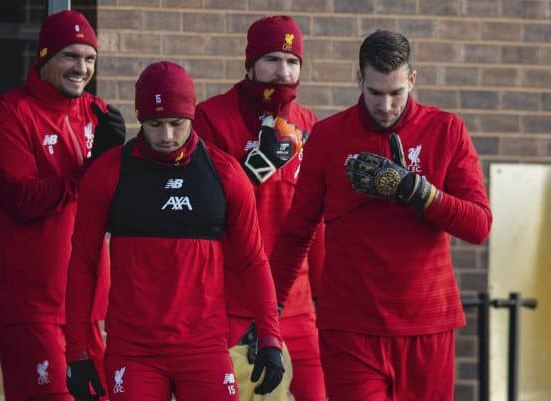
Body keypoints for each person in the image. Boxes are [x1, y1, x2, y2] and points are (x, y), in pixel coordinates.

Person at [270, 30, 493, 401]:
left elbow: (479, 226)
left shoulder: (446, 130)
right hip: (351, 327)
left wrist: (419, 192)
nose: (386, 106)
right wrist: (269, 311)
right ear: (359, 79)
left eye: (396, 93)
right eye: (375, 93)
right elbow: (297, 230)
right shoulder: (328, 136)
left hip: (428, 323)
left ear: (412, 79)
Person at [63, 61, 284, 401]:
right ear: (141, 119)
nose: (166, 136)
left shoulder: (225, 176)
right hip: (134, 352)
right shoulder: (109, 175)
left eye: (176, 123)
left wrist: (270, 338)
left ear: (192, 117)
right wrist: (76, 352)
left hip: (204, 348)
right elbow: (83, 263)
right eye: (155, 124)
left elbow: (254, 261)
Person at [0, 10, 125, 401]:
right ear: (44, 57)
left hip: (90, 305)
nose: (81, 67)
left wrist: (122, 165)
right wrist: (91, 170)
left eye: (89, 58)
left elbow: (117, 205)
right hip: (33, 306)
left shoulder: (98, 113)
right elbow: (23, 199)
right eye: (69, 56)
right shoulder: (8, 115)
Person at [193, 15, 326, 401]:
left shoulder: (307, 123)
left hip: (296, 304)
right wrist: (252, 170)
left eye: (292, 62)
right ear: (249, 64)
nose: (282, 72)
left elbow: (316, 221)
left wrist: (323, 294)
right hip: (231, 302)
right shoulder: (210, 118)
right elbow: (203, 211)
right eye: (272, 60)